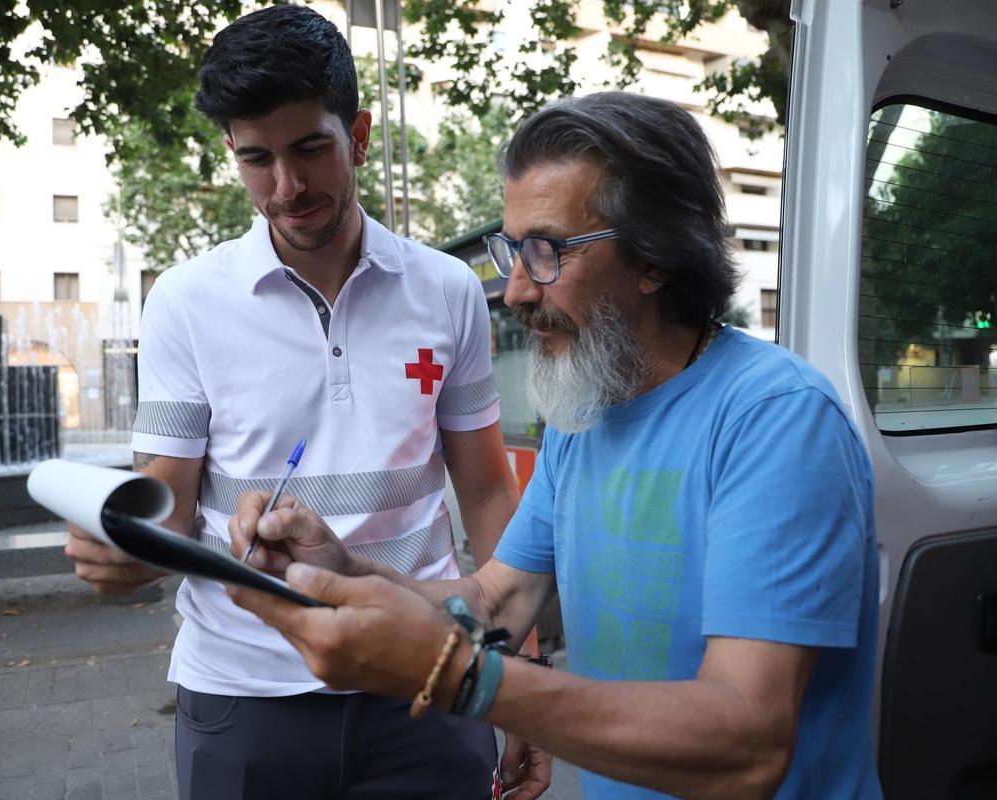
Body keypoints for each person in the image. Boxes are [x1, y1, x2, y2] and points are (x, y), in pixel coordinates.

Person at [227, 91, 885, 799]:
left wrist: (460, 678)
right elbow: (496, 602)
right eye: (512, 251)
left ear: (653, 257)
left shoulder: (777, 421)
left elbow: (748, 744)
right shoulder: (585, 415)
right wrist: (350, 571)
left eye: (545, 253)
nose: (513, 292)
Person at [63, 6, 546, 799]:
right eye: (257, 159)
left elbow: (488, 488)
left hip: (427, 676)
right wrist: (127, 551)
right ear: (231, 152)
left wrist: (520, 674)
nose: (287, 187)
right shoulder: (185, 302)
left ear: (356, 135)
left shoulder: (448, 290)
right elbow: (170, 512)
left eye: (309, 149)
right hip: (244, 694)